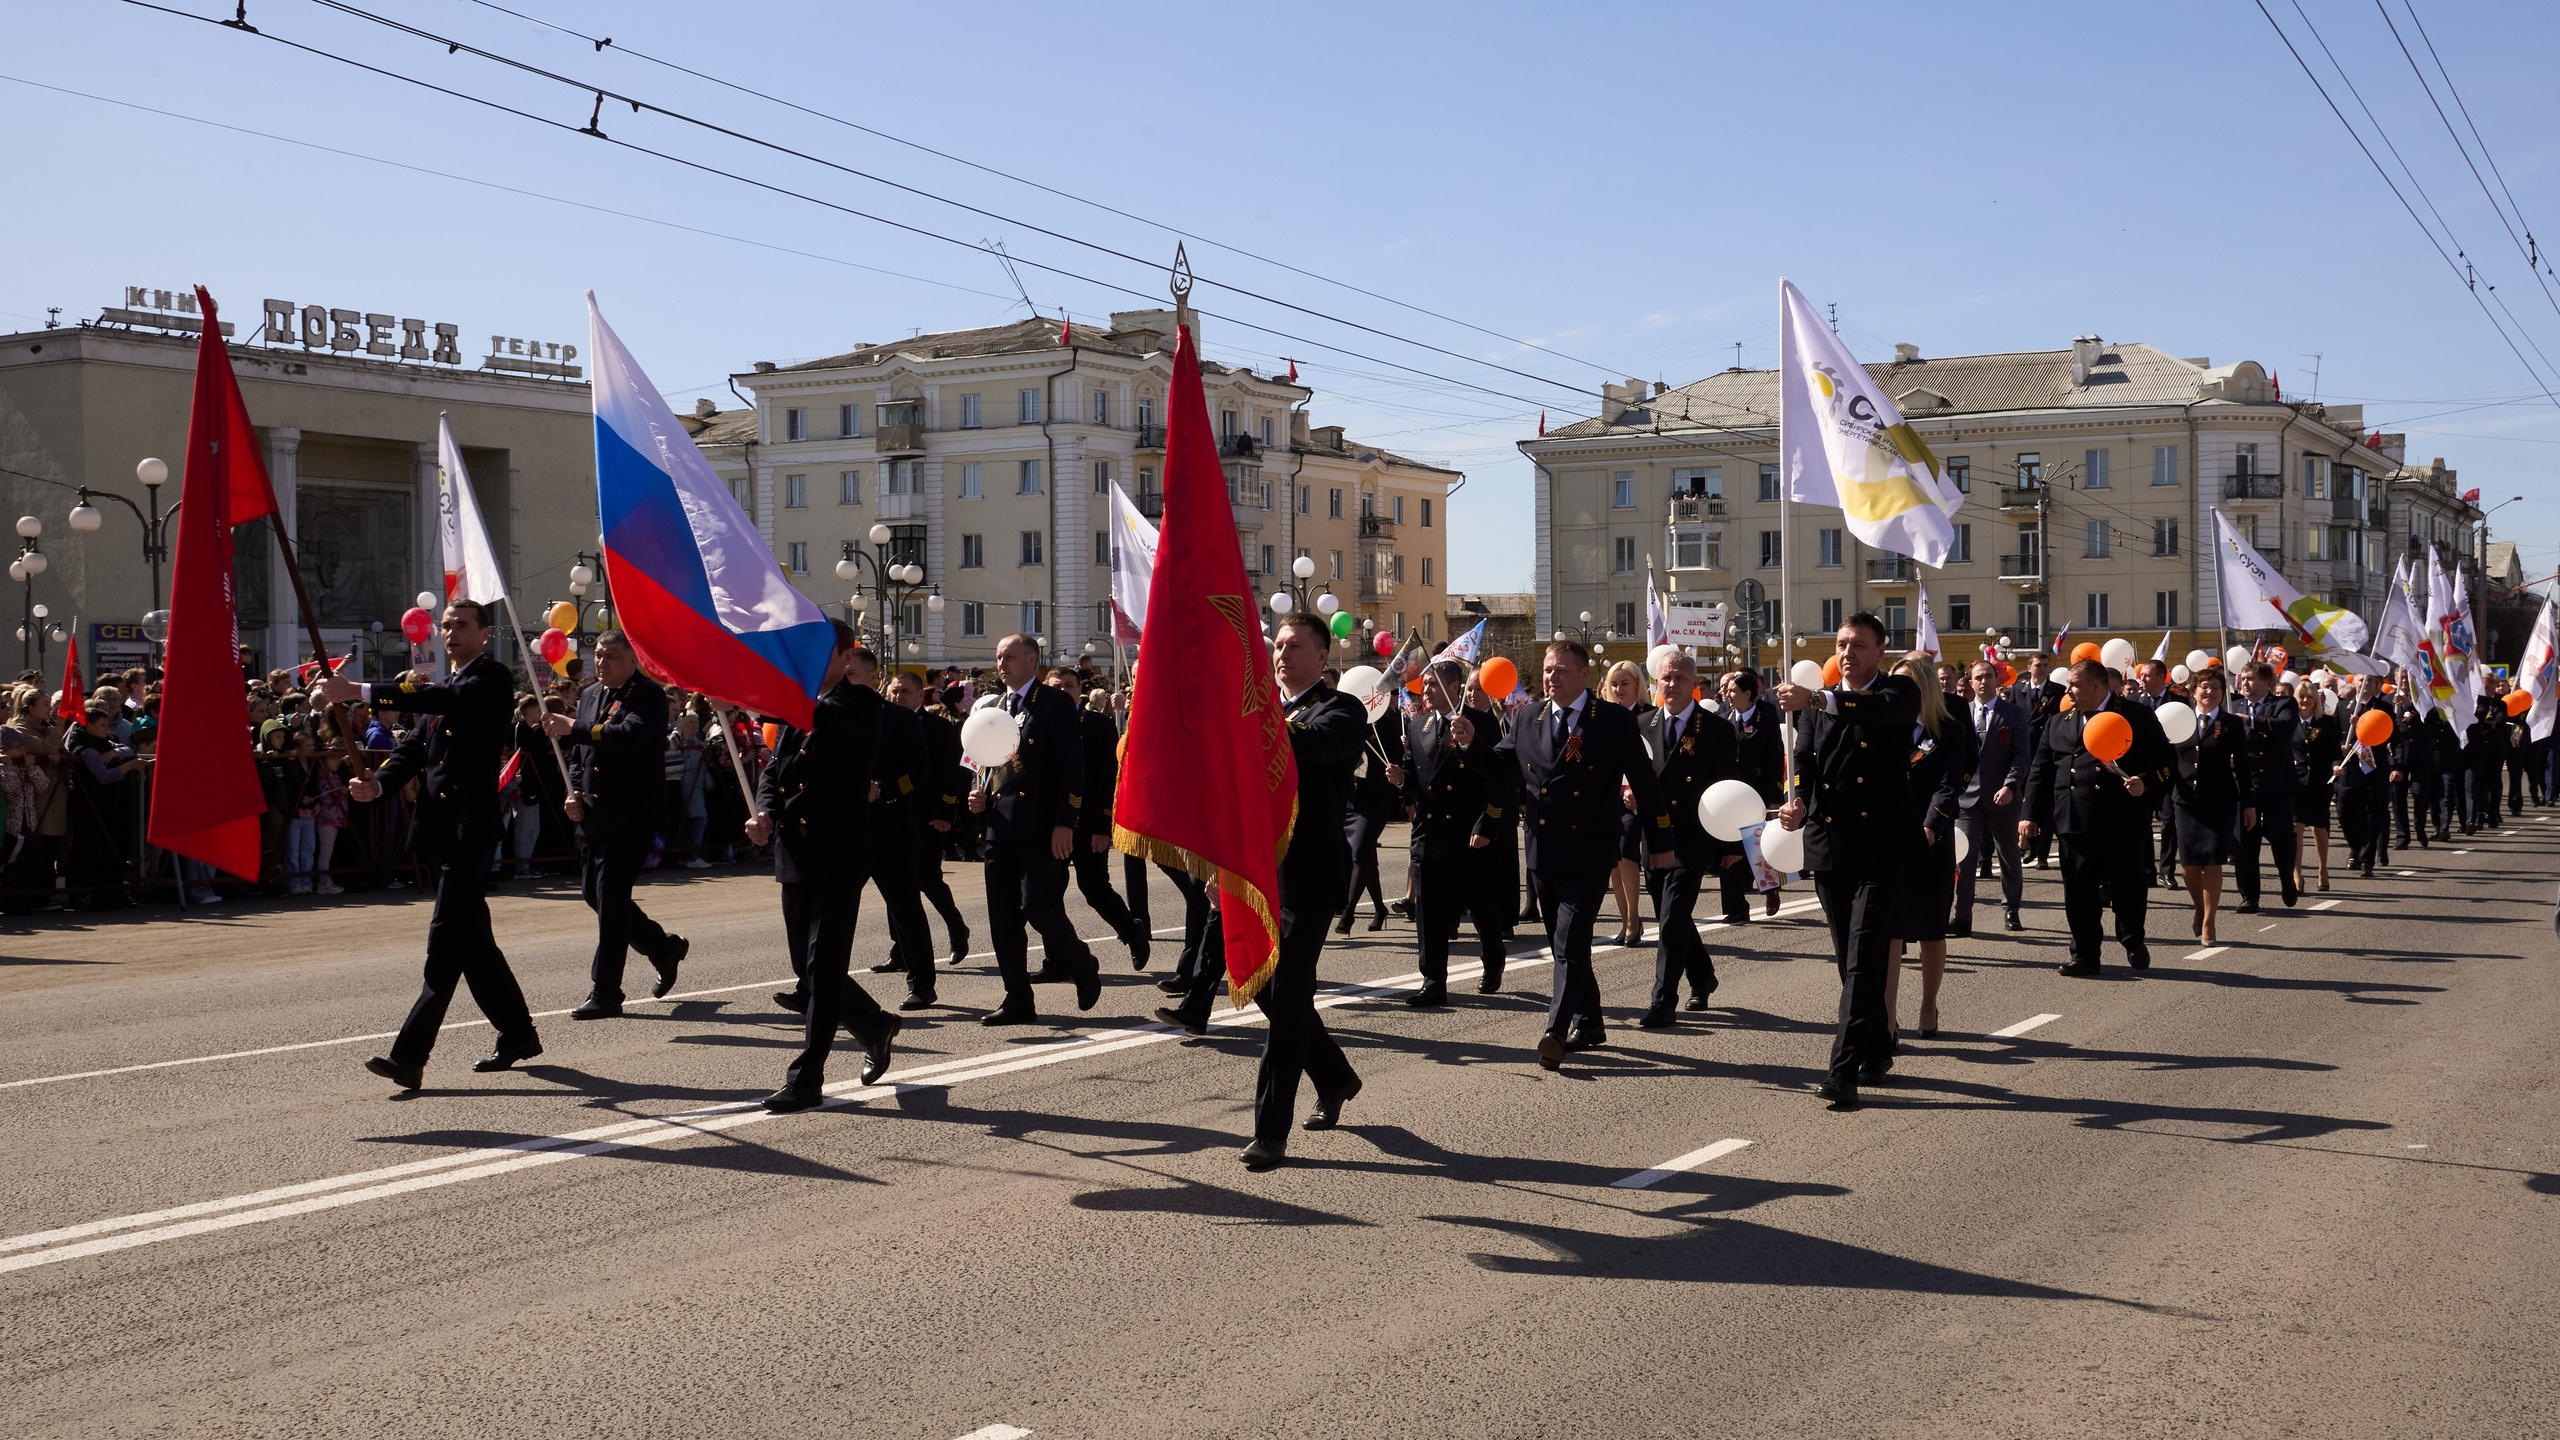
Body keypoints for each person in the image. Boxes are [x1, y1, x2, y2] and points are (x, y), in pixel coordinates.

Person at [324, 602, 542, 1090]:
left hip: (471, 830)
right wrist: (378, 785)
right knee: (473, 943)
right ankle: (518, 1034)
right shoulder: (449, 688)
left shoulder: (489, 678)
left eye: (461, 625)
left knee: (444, 942)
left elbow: (444, 699)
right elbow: (414, 749)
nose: (450, 632)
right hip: (442, 830)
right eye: (445, 626)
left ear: (484, 633)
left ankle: (410, 1055)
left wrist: (358, 690)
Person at [1230, 613, 1369, 1171]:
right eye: (1277, 645)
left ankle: (1270, 1132)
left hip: (1307, 876)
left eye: (1293, 646)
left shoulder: (1341, 710)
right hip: (1254, 871)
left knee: (1287, 998)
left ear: (1323, 655)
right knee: (1260, 983)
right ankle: (1334, 1075)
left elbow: (1312, 749)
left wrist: (1256, 716)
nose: (1282, 654)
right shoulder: (1268, 710)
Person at [1496, 639, 1669, 1070]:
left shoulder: (1609, 720)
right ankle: (1590, 1021)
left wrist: (1661, 843)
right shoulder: (1528, 717)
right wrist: (1463, 746)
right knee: (1563, 945)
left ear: (1584, 676)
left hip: (1591, 849)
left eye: (1561, 670)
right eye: (1548, 670)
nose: (1551, 677)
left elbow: (1645, 783)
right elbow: (1499, 765)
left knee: (1571, 941)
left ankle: (1556, 1029)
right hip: (1543, 850)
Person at [750, 626, 902, 1111]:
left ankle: (807, 1077)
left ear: (844, 656)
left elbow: (818, 716)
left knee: (824, 963)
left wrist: (744, 687)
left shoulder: (858, 703)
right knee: (807, 968)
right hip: (795, 853)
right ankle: (875, 1024)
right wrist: (766, 812)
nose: (809, 661)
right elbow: (774, 772)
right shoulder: (806, 707)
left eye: (819, 653)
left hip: (839, 854)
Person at [1774, 614, 1918, 1108]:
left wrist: (1816, 696)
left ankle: (1843, 1069)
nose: (1848, 652)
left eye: (1858, 644)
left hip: (1880, 846)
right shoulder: (1817, 706)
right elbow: (1805, 764)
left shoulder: (1899, 692)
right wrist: (1796, 800)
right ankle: (1877, 1044)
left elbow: (1875, 712)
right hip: (1831, 844)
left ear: (1880, 649)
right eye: (1841, 644)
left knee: (1861, 956)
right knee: (1849, 958)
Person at [543, 632, 689, 1020]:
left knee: (610, 902)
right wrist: (573, 791)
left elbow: (630, 736)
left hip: (629, 814)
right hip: (593, 813)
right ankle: (662, 946)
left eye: (610, 657)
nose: (601, 663)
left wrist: (573, 726)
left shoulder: (647, 695)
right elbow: (581, 754)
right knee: (596, 895)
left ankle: (606, 990)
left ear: (631, 661)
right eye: (598, 656)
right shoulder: (591, 695)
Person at [966, 633, 1099, 1024]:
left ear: (1030, 659)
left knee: (1038, 907)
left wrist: (1065, 823)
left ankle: (1081, 963)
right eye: (997, 657)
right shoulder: (993, 707)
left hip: (1041, 827)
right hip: (1000, 826)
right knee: (1003, 917)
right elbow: (989, 764)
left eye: (1008, 656)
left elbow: (1073, 769)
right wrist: (979, 798)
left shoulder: (1053, 702)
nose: (1001, 663)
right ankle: (1018, 999)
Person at [2023, 658, 2174, 977]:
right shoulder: (2058, 721)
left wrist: (2146, 781)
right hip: (2073, 820)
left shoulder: (2135, 714)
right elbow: (2041, 770)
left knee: (2127, 886)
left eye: (2074, 685)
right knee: (2078, 891)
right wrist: (2030, 815)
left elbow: (2166, 760)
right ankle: (2085, 955)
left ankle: (2132, 938)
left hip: (2120, 820)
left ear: (2096, 685)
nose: (2068, 691)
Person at [1394, 657, 1512, 1005]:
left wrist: (1487, 822)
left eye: (1431, 684)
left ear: (1453, 687)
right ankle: (1433, 981)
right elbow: (1415, 779)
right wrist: (1401, 782)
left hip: (1468, 830)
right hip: (1429, 833)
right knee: (1428, 910)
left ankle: (1493, 959)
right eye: (1423, 686)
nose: (1424, 692)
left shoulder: (1480, 725)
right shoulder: (1418, 726)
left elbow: (1499, 778)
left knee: (1479, 903)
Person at [1633, 649, 1739, 1027]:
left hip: (1694, 837)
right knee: (1671, 917)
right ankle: (1703, 976)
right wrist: (1627, 794)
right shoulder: (1642, 725)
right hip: (1655, 836)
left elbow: (1729, 789)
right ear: (1656, 683)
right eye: (1666, 678)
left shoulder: (1715, 729)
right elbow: (1629, 776)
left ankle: (1663, 1000)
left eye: (1680, 678)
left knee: (1672, 918)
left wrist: (1731, 845)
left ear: (1694, 684)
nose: (1672, 684)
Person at [1885, 655, 1976, 1040]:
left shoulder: (1948, 730)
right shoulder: (1884, 726)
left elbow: (1949, 782)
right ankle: (1886, 1017)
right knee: (1888, 930)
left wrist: (1931, 824)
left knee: (1930, 929)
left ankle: (1927, 1004)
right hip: (1887, 838)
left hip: (1929, 838)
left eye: (1909, 686)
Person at [846, 656, 940, 1008]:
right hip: (846, 831)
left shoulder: (898, 719)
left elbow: (920, 771)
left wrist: (883, 789)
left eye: (852, 674)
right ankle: (811, 984)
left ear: (874, 678)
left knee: (905, 909)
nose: (846, 680)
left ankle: (922, 983)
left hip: (889, 829)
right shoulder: (832, 716)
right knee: (831, 911)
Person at [1055, 672, 1147, 967]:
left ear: (1080, 690)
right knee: (1047, 895)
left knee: (1094, 888)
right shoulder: (1041, 723)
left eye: (1069, 686)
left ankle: (1132, 932)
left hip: (1087, 823)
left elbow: (1109, 779)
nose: (1063, 691)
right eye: (1056, 687)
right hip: (1053, 824)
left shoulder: (1097, 725)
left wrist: (1102, 827)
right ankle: (1056, 960)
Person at [888, 671, 972, 966]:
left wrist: (945, 813)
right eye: (894, 692)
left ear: (918, 695)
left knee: (928, 879)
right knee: (894, 882)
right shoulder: (882, 725)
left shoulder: (936, 726)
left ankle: (957, 929)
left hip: (927, 817)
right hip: (891, 815)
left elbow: (950, 774)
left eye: (904, 692)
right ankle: (901, 950)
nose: (898, 697)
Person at [2170, 668, 2248, 946]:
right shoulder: (2179, 720)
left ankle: (2209, 922)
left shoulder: (2231, 724)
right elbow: (2165, 760)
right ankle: (2199, 906)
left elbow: (2242, 766)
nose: (2210, 692)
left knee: (2214, 861)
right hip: (2186, 801)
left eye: (2216, 687)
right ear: (2193, 691)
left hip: (2221, 802)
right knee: (2189, 866)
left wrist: (2248, 803)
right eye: (2204, 686)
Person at [1953, 658, 2031, 936]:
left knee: (2008, 855)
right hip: (1967, 800)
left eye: (1988, 676)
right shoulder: (1961, 714)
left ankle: (2011, 909)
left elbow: (2022, 754)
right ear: (1970, 682)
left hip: (2003, 798)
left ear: (1997, 680)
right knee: (1964, 860)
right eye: (1978, 678)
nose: (1983, 682)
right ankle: (1962, 917)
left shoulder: (2012, 714)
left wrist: (2011, 785)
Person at [2232, 662, 2301, 913]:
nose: (2244, 683)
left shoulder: (2284, 703)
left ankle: (2286, 877)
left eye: (2250, 678)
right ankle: (2249, 896)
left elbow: (2284, 726)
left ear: (2267, 682)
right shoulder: (2233, 706)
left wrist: (2250, 721)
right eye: (2242, 678)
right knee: (2244, 844)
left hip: (2277, 784)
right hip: (2245, 786)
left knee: (2281, 839)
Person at [1721, 668, 1786, 920]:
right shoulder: (1724, 719)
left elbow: (1774, 761)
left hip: (1759, 789)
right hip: (1731, 794)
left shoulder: (1766, 719)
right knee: (1730, 845)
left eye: (1732, 691)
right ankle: (1735, 907)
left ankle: (1770, 888)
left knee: (1760, 845)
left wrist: (1774, 797)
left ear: (1748, 693)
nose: (1727, 694)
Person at [1337, 698, 1404, 935]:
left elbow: (1397, 756)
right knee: (1365, 857)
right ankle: (1379, 908)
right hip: (1351, 798)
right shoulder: (1345, 719)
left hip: (1376, 798)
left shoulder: (1384, 722)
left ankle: (1349, 912)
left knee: (1361, 851)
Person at [1600, 659, 1653, 947]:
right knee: (1613, 859)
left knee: (1626, 853)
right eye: (1614, 684)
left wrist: (1635, 788)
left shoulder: (1650, 716)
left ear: (1637, 685)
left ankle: (1634, 919)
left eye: (1625, 683)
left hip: (1639, 796)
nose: (1619, 689)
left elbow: (1652, 759)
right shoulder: (1604, 716)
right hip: (1610, 795)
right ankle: (1626, 920)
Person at [2007, 654, 2066, 869]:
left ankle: (2041, 852)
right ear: (2029, 667)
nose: (2041, 669)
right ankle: (2025, 842)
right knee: (2024, 801)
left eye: (2045, 665)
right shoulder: (2017, 690)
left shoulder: (2058, 692)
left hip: (2047, 753)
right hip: (2024, 752)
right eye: (2037, 665)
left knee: (2045, 804)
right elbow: (2009, 719)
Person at [2336, 674, 2393, 879]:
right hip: (2350, 769)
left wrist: (2363, 724)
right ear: (2354, 683)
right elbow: (2335, 735)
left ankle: (2367, 860)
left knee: (2373, 814)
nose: (2365, 684)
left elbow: (2391, 735)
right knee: (2345, 812)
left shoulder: (2383, 708)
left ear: (2375, 684)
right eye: (2362, 680)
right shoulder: (2343, 706)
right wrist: (2339, 752)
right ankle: (2356, 846)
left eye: (2369, 681)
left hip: (2373, 769)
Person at [2292, 677, 2340, 893]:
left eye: (2309, 697)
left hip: (2320, 782)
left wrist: (2337, 766)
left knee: (2319, 827)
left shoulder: (2327, 722)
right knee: (2296, 828)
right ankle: (2297, 873)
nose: (2305, 700)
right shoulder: (2289, 721)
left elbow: (2334, 753)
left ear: (2316, 700)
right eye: (2302, 696)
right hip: (2296, 782)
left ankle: (2323, 869)